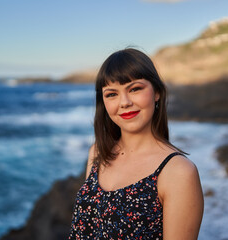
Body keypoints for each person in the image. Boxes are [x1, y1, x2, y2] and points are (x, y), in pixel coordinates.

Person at [69, 48, 203, 239]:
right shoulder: (98, 153)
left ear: (157, 92)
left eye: (135, 89)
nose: (124, 102)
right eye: (112, 94)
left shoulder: (178, 172)